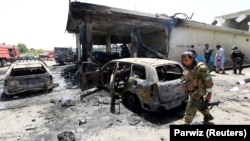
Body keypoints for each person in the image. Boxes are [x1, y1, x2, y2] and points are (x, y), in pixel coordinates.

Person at [181, 51, 214, 125]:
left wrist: (209, 94)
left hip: (198, 92)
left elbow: (208, 82)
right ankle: (207, 116)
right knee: (199, 105)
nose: (184, 62)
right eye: (183, 60)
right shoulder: (187, 68)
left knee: (189, 111)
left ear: (192, 59)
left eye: (186, 60)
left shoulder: (201, 68)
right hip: (191, 91)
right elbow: (185, 79)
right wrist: (185, 89)